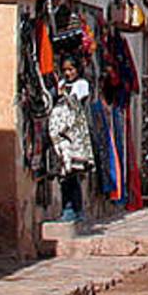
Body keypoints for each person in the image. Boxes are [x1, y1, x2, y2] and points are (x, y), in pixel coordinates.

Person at [50, 55, 94, 221]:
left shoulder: (81, 85)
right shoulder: (61, 84)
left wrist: (63, 94)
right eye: (65, 70)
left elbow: (76, 102)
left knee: (73, 172)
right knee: (64, 172)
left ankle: (75, 209)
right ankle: (68, 208)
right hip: (62, 133)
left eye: (71, 69)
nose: (68, 73)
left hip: (74, 133)